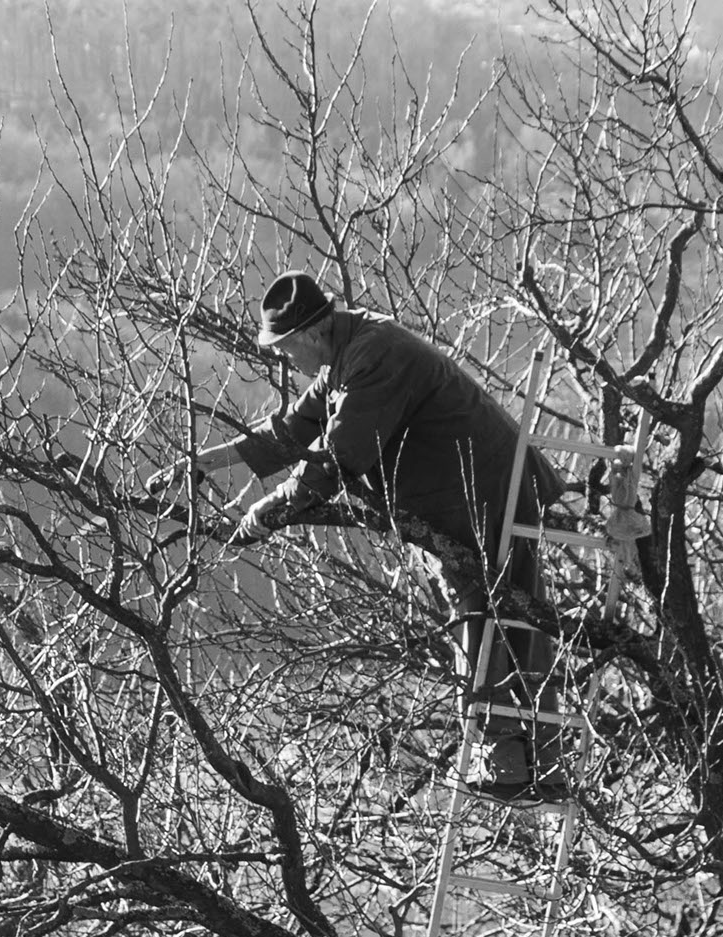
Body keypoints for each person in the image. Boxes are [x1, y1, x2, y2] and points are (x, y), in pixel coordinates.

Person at [149, 271, 568, 798]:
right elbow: (292, 429)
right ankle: (526, 762)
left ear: (307, 334)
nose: (285, 360)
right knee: (491, 613)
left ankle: (516, 764)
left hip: (487, 491)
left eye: (284, 349)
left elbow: (338, 457)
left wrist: (272, 507)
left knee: (494, 616)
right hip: (464, 495)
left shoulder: (373, 355)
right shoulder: (347, 350)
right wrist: (203, 463)